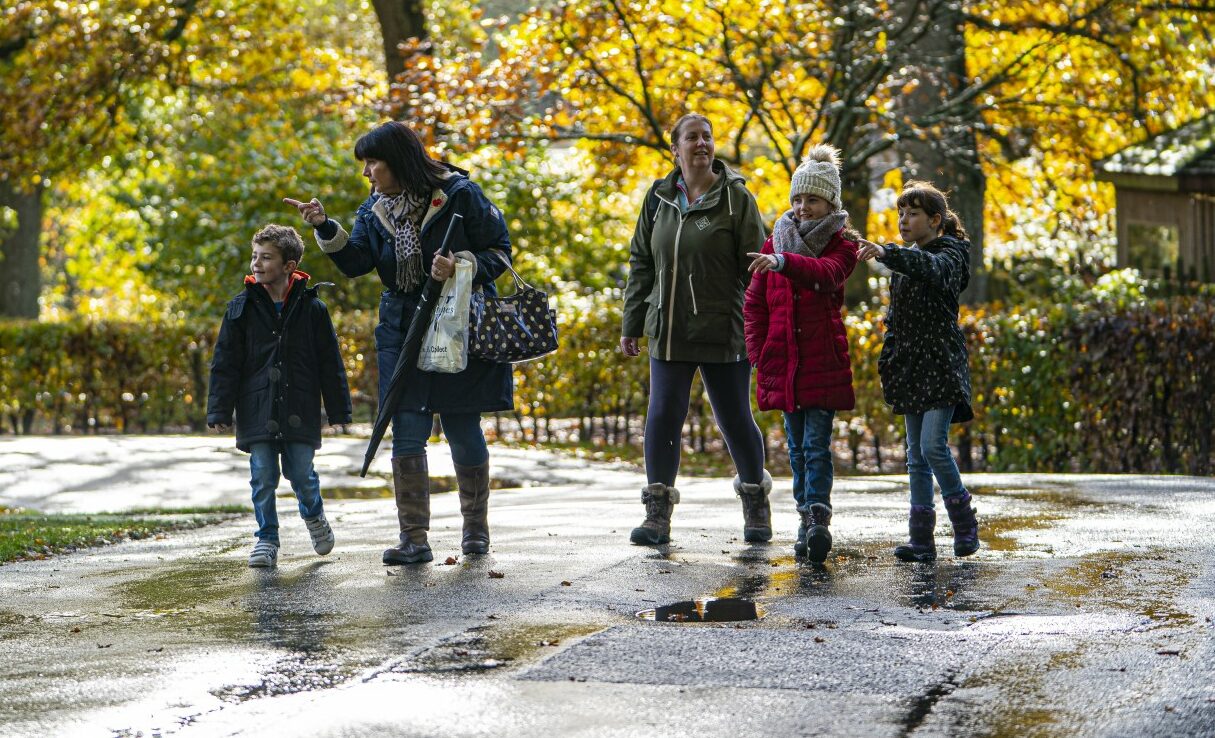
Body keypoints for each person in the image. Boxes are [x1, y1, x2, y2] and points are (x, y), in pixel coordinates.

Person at [284, 121, 512, 565]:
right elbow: (356, 263)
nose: (366, 173)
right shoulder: (374, 210)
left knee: (462, 425)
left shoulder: (461, 196)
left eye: (373, 162)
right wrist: (324, 226)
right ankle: (414, 539)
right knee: (406, 427)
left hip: (455, 323)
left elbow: (500, 252)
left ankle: (475, 533)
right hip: (400, 328)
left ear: (399, 161)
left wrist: (461, 265)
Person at [620, 113, 771, 546]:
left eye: (707, 136)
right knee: (663, 415)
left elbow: (755, 269)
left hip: (723, 327)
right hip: (668, 329)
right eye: (692, 137)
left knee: (734, 419)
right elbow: (641, 263)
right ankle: (657, 513)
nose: (702, 143)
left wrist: (755, 324)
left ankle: (755, 500)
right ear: (676, 149)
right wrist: (632, 323)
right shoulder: (659, 198)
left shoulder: (736, 199)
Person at [207, 224, 353, 568]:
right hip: (256, 406)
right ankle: (266, 538)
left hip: (299, 404)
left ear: (289, 265)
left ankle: (314, 516)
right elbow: (224, 363)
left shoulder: (313, 310)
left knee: (301, 473)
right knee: (262, 475)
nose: (256, 264)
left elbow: (330, 362)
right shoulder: (239, 309)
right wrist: (219, 410)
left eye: (266, 257)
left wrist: (339, 410)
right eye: (255, 256)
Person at [743, 144, 859, 563]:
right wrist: (758, 352)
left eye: (812, 199)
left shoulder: (841, 245)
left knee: (815, 445)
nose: (803, 206)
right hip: (784, 363)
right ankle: (803, 519)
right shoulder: (776, 240)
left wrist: (783, 263)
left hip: (820, 361)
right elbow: (754, 303)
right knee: (794, 447)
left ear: (830, 202)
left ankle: (818, 517)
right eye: (798, 198)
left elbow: (827, 276)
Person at [857, 180, 979, 562]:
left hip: (940, 365)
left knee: (932, 446)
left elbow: (932, 269)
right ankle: (921, 540)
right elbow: (896, 318)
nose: (904, 220)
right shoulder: (905, 258)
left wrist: (888, 253)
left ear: (936, 220)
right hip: (910, 368)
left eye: (912, 214)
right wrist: (889, 360)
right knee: (914, 454)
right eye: (900, 214)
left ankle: (964, 524)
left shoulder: (950, 254)